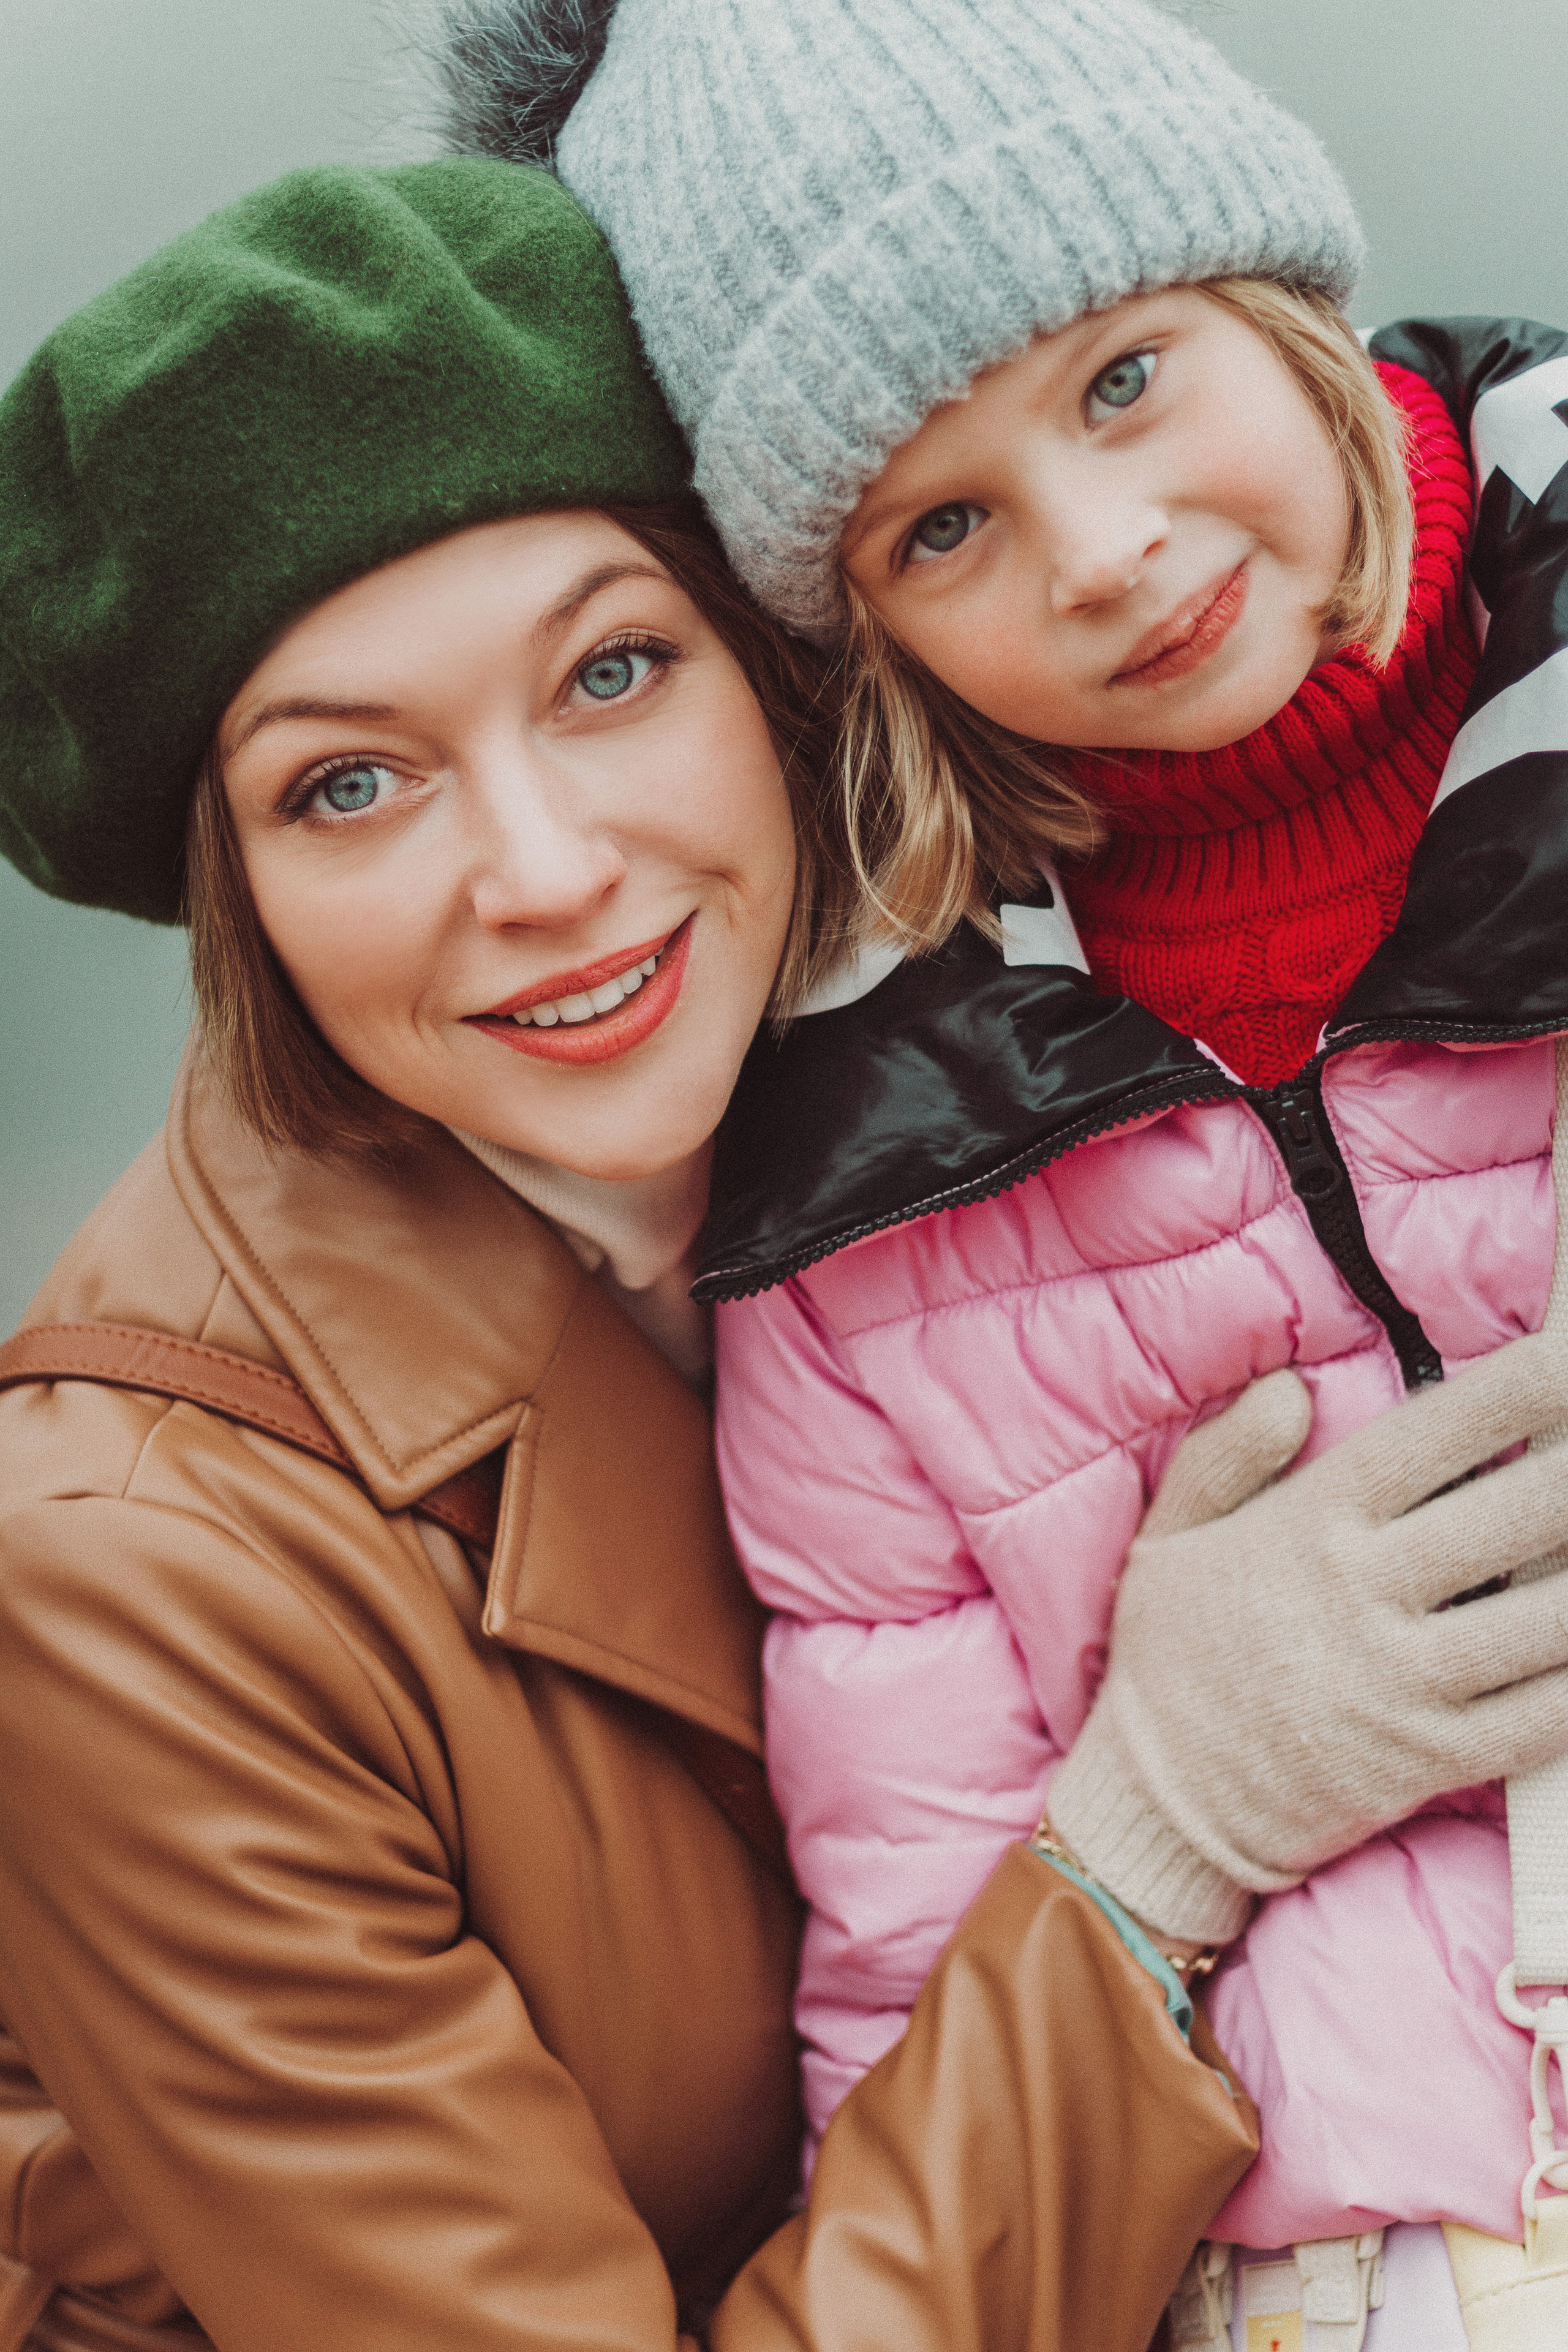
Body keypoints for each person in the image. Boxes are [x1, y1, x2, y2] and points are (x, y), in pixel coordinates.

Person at [0, 150, 1370, 2352]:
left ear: (778, 672)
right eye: (349, 788)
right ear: (231, 895)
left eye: (615, 672)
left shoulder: (1020, 1070)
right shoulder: (128, 1580)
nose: (543, 870)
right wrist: (1141, 1862)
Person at [435, 1, 1568, 2342]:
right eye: (940, 524)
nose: (1106, 548)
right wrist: (1167, 1795)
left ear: (1272, 285)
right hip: (1338, 2259)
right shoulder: (869, 1156)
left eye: (1126, 375)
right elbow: (924, 1932)